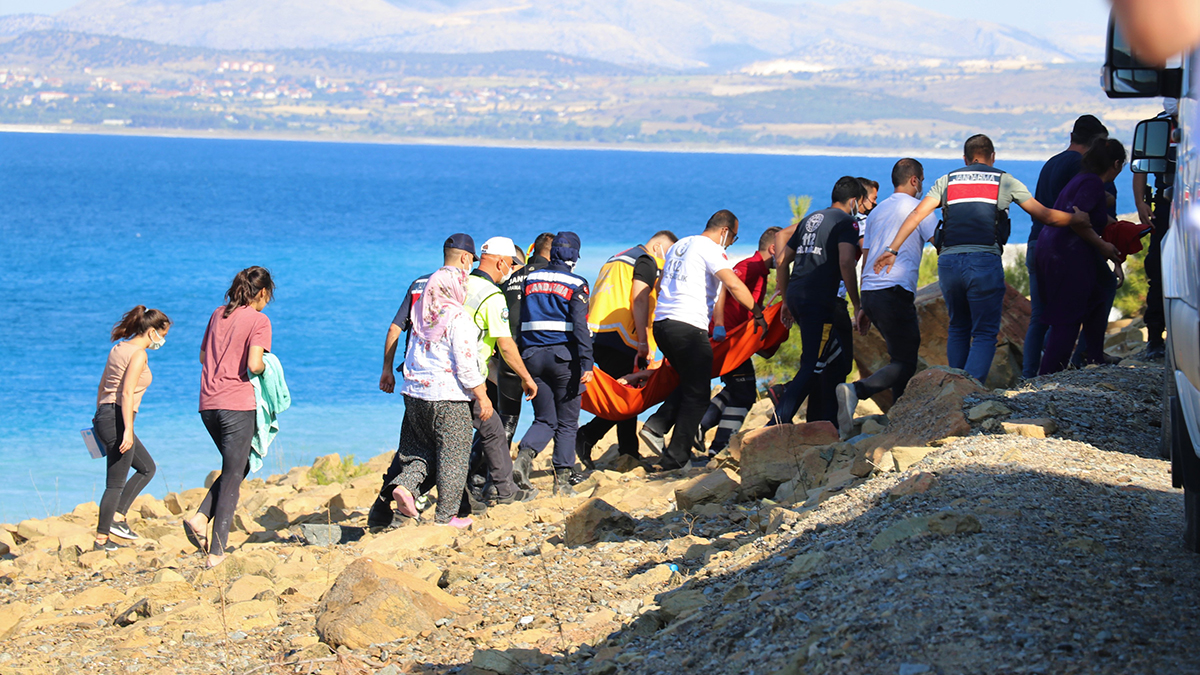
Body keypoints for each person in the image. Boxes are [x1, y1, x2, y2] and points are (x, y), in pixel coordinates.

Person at [873, 134, 1103, 384]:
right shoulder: (1004, 181)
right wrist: (1075, 219)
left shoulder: (947, 181)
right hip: (983, 261)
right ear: (992, 157)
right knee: (983, 332)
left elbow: (917, 213)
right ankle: (968, 390)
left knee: (958, 327)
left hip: (949, 263)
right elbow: (1045, 215)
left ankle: (954, 388)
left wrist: (892, 249)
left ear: (965, 159)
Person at [639, 211, 765, 470]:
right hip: (688, 327)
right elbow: (733, 284)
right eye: (733, 239)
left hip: (663, 324)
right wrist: (758, 311)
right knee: (698, 394)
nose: (730, 244)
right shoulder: (710, 248)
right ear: (725, 231)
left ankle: (657, 428)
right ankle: (675, 457)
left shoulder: (680, 245)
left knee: (690, 383)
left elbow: (662, 283)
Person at [374, 267, 490, 529]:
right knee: (454, 456)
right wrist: (482, 396)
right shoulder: (458, 318)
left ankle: (406, 487)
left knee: (419, 451)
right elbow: (466, 365)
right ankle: (446, 516)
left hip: (414, 394)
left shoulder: (420, 315)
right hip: (448, 397)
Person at [833, 159, 938, 438]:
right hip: (895, 288)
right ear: (914, 180)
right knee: (905, 359)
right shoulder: (918, 207)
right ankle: (857, 391)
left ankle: (898, 418)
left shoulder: (878, 212)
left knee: (899, 355)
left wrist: (864, 305)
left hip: (872, 289)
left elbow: (867, 255)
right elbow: (940, 240)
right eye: (922, 179)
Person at [184, 266, 274, 568]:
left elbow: (201, 357)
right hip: (237, 404)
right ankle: (217, 553)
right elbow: (254, 363)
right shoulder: (259, 320)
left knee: (237, 465)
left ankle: (200, 517)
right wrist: (269, 367)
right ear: (261, 292)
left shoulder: (217, 314)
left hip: (208, 404)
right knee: (235, 473)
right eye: (268, 296)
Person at [576, 230, 678, 468]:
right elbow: (640, 299)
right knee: (628, 397)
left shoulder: (617, 258)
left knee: (623, 393)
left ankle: (626, 450)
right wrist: (644, 341)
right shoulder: (646, 260)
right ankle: (590, 438)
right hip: (623, 335)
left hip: (597, 331)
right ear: (658, 248)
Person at [770, 177, 867, 428]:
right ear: (854, 201)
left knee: (837, 358)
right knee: (812, 363)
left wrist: (786, 299)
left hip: (799, 296)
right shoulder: (848, 222)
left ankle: (823, 421)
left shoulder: (811, 219)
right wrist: (857, 304)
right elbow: (846, 261)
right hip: (819, 300)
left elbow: (781, 260)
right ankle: (777, 423)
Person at [1022, 115, 1109, 378]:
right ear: (1095, 144)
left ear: (1072, 136)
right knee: (1100, 290)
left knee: (1040, 315)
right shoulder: (1079, 166)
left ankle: (1030, 375)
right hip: (1065, 248)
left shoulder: (1052, 162)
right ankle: (1084, 356)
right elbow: (1079, 208)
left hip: (1037, 242)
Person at [512, 232, 595, 495]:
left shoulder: (529, 279)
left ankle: (524, 459)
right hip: (564, 359)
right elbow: (580, 326)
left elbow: (517, 318)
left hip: (531, 357)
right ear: (573, 256)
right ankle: (563, 478)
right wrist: (587, 362)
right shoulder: (576, 283)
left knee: (545, 418)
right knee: (568, 420)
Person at [1038, 139, 1129, 374]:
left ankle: (1093, 355)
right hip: (1067, 253)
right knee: (1067, 317)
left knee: (1099, 294)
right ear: (1116, 164)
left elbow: (1095, 218)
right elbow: (1079, 221)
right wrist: (1103, 246)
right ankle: (1049, 375)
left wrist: (1118, 241)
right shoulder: (1092, 184)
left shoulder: (1083, 180)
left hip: (1055, 248)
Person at [92, 306, 170, 552]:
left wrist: (98, 420)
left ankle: (111, 527)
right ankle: (109, 529)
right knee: (116, 482)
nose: (164, 340)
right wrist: (127, 430)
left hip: (105, 416)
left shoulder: (118, 349)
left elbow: (102, 385)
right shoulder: (138, 354)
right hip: (118, 419)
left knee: (147, 468)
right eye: (163, 333)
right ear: (152, 332)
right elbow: (126, 392)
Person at [697, 226, 779, 455]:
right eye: (784, 251)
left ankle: (703, 429)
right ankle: (717, 445)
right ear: (773, 249)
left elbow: (747, 304)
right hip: (727, 340)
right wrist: (721, 325)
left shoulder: (760, 272)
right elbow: (725, 285)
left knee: (736, 390)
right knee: (743, 393)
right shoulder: (750, 267)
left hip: (734, 340)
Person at [1134, 100, 1179, 360]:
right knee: (1159, 271)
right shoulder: (1159, 126)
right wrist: (1140, 202)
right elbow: (1141, 164)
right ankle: (1155, 338)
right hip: (1165, 206)